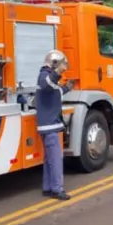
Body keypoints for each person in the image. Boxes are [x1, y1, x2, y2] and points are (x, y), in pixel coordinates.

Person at [35, 50, 75, 201]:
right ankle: (57, 189)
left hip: (48, 126)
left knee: (49, 159)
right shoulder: (44, 75)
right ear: (55, 63)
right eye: (62, 64)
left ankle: (48, 187)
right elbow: (47, 85)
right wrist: (58, 72)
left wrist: (68, 86)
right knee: (56, 159)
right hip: (49, 126)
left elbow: (55, 90)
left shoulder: (48, 78)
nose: (65, 67)